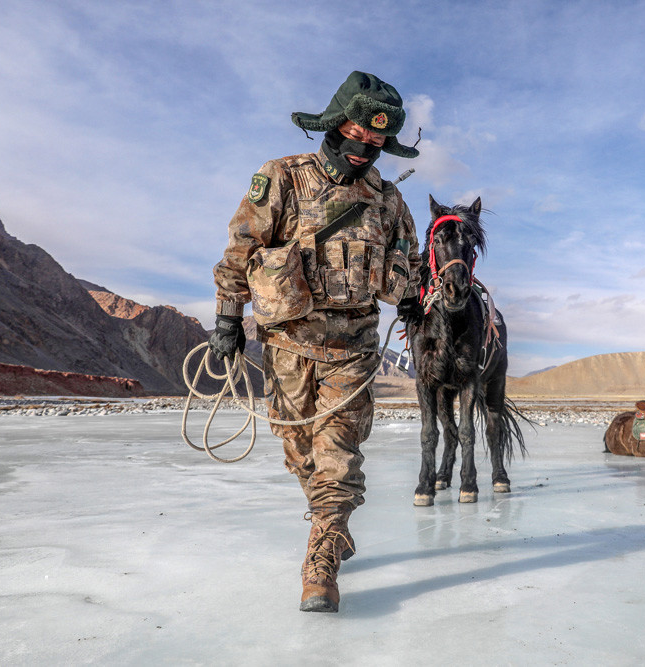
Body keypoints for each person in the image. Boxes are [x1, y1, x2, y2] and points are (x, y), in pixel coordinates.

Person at [208, 71, 423, 613]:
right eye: (357, 136)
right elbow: (240, 248)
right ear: (335, 126)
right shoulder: (283, 177)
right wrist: (228, 318)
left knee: (338, 455)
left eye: (376, 145)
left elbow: (411, 262)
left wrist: (414, 298)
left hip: (354, 349)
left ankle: (321, 560)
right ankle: (333, 524)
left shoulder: (388, 199)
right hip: (286, 347)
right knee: (299, 452)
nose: (365, 151)